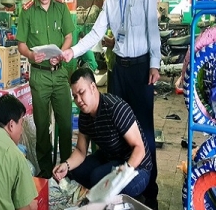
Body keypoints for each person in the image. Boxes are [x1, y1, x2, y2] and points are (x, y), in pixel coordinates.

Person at [61, 0, 161, 210]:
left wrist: (155, 64)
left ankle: (149, 189)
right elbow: (95, 34)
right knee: (115, 121)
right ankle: (114, 175)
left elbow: (153, 27)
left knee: (144, 130)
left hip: (141, 69)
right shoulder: (111, 0)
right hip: (120, 68)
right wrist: (72, 51)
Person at [53, 68, 152, 197]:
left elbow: (140, 149)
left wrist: (125, 170)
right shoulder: (85, 114)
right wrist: (66, 165)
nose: (78, 100)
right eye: (75, 96)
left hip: (137, 167)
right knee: (76, 171)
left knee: (97, 178)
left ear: (93, 87)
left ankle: (128, 202)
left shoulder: (115, 108)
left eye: (82, 92)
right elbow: (81, 151)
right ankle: (99, 200)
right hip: (110, 159)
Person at [16, 0, 75, 178]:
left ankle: (67, 168)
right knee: (42, 128)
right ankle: (45, 172)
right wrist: (31, 55)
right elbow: (21, 43)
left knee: (66, 125)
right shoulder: (27, 11)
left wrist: (62, 52)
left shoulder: (61, 8)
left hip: (59, 74)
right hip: (39, 76)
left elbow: (69, 36)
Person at [102, 0, 135, 93]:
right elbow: (99, 28)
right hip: (116, 64)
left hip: (136, 67)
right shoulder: (112, 0)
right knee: (115, 106)